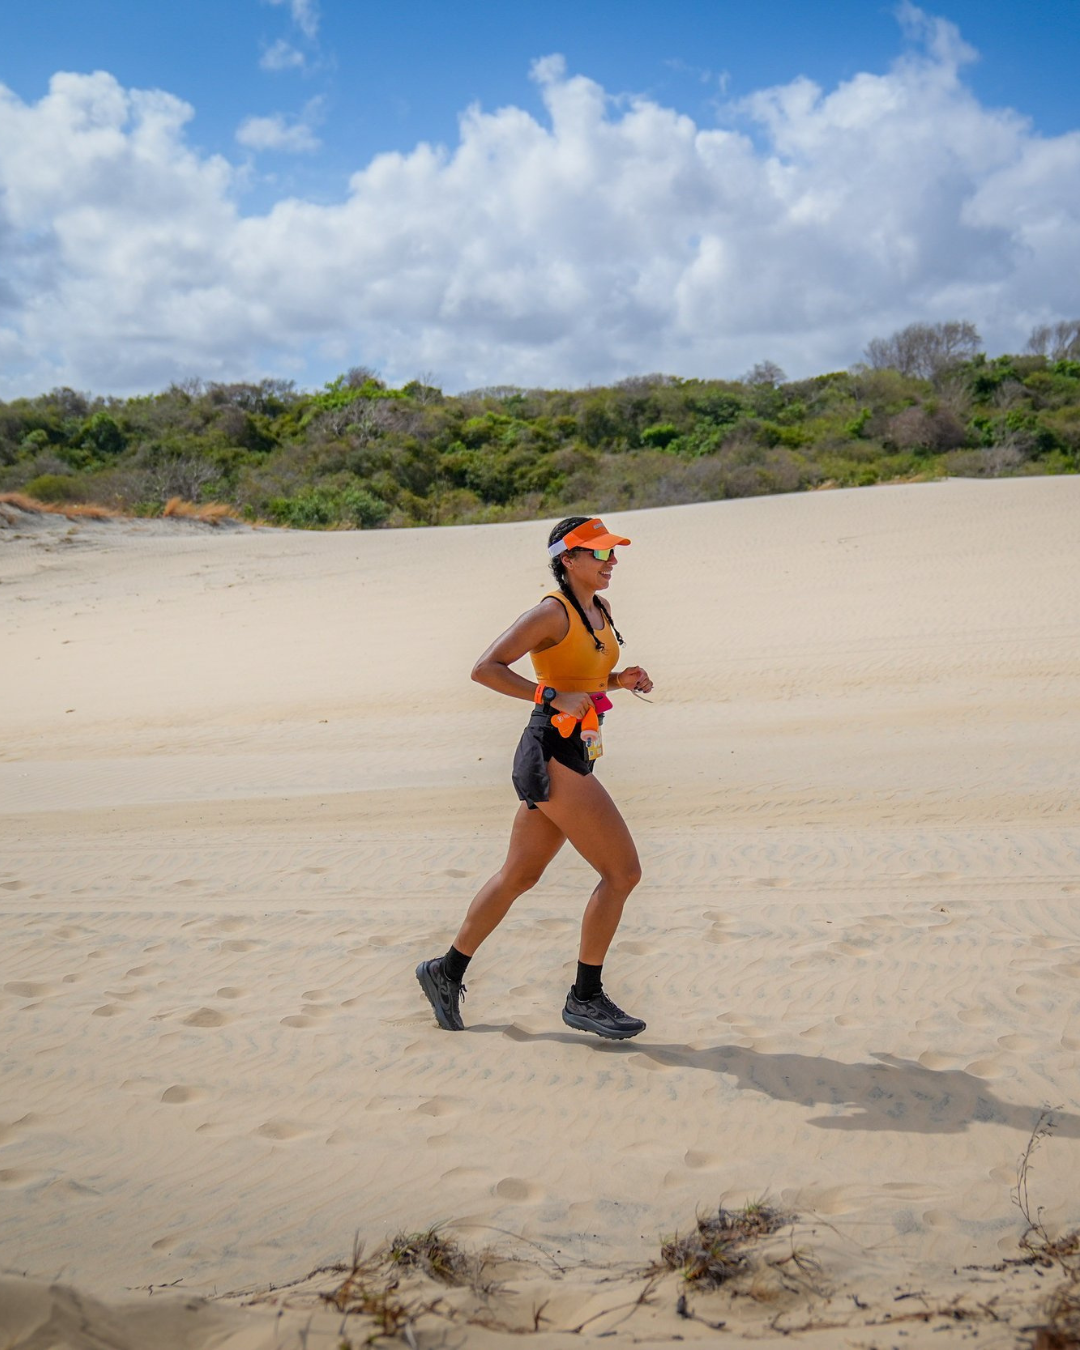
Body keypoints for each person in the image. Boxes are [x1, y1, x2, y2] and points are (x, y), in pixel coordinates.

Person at [416, 515, 654, 1040]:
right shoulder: (551, 612)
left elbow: (581, 677)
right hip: (550, 752)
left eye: (613, 553)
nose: (611, 562)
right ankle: (585, 998)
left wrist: (619, 679)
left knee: (519, 876)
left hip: (577, 746)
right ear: (568, 560)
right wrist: (547, 695)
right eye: (599, 553)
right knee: (623, 873)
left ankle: (445, 971)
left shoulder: (601, 609)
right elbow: (485, 668)